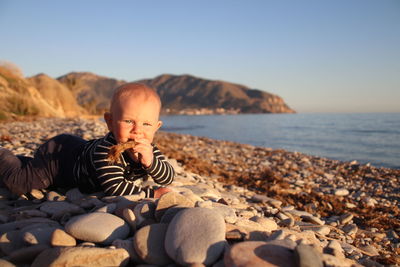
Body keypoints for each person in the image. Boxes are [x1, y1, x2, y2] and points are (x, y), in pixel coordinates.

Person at [0, 83, 175, 198]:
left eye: (146, 124)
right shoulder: (105, 151)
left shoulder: (148, 149)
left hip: (77, 151)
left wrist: (151, 162)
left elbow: (168, 177)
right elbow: (115, 188)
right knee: (20, 182)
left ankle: (23, 162)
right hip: (58, 161)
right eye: (129, 121)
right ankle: (3, 157)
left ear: (156, 127)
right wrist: (152, 194)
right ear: (110, 122)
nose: (137, 130)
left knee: (29, 168)